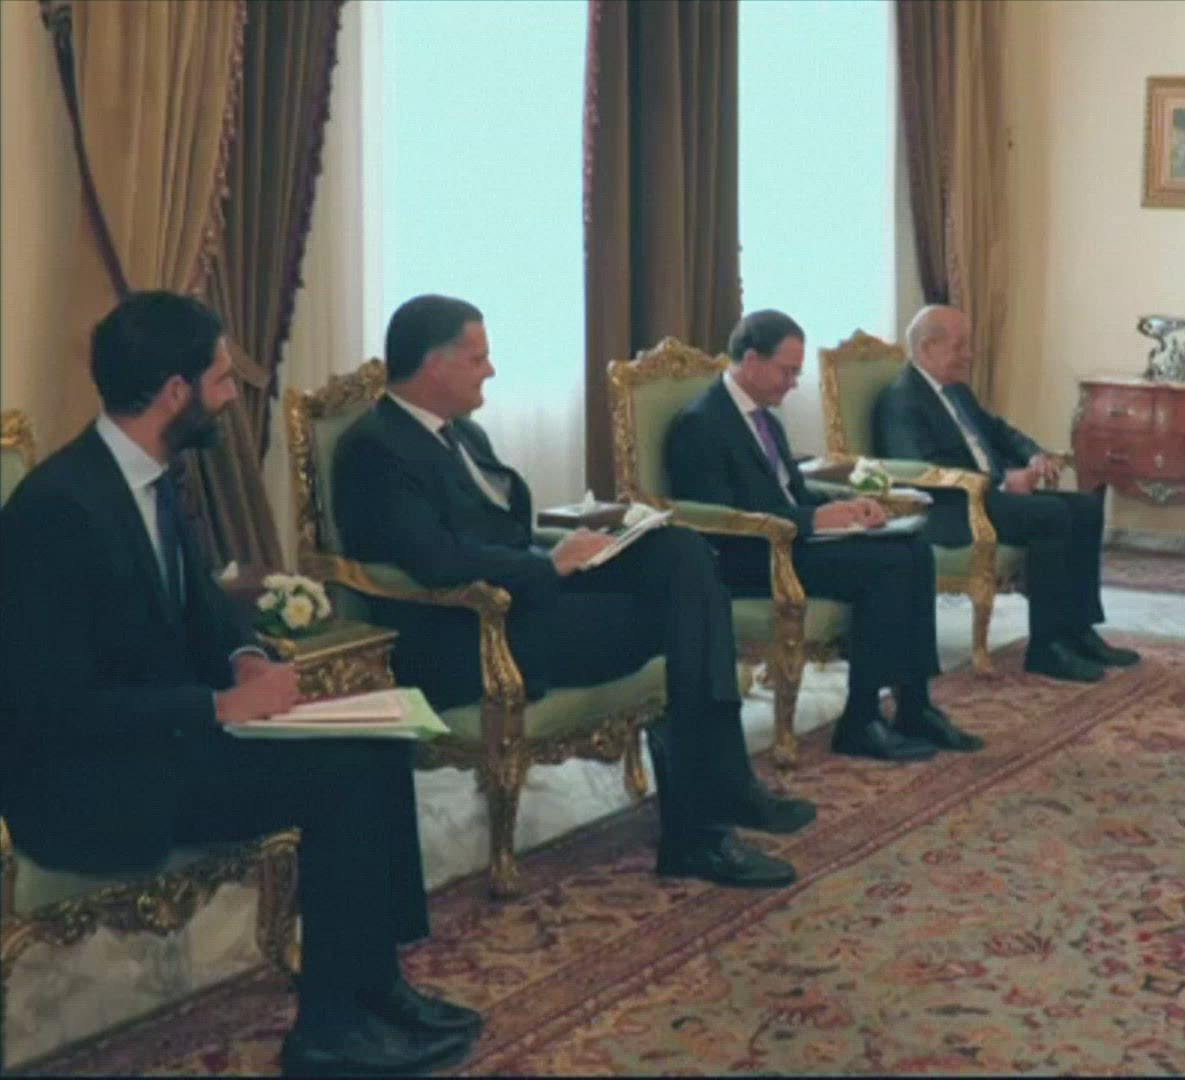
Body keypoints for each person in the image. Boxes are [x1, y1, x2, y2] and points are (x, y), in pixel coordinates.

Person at [0, 292, 482, 1076]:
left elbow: (202, 611)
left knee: (379, 744)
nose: (231, 395)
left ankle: (374, 988)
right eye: (222, 379)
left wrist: (244, 659)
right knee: (339, 779)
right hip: (86, 782)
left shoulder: (152, 478)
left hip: (164, 743)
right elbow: (50, 710)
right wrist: (218, 705)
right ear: (176, 392)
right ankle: (328, 1034)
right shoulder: (57, 510)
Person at [331, 295, 811, 891]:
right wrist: (550, 566)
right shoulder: (375, 447)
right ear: (435, 364)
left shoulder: (463, 435)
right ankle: (705, 823)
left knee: (679, 552)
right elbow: (434, 560)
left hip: (527, 599)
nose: (491, 371)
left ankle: (712, 809)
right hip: (468, 634)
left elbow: (505, 529)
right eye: (479, 359)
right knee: (688, 622)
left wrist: (586, 545)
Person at [666, 309, 980, 761]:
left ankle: (915, 705)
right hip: (748, 559)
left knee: (914, 549)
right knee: (887, 566)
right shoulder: (701, 424)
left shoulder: (765, 419)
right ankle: (861, 720)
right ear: (752, 361)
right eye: (787, 371)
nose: (794, 383)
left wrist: (848, 507)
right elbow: (724, 519)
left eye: (797, 372)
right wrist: (815, 520)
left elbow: (791, 491)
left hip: (792, 542)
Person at [872, 304, 1140, 683]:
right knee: (1051, 515)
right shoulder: (901, 400)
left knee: (1085, 507)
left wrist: (1034, 455)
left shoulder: (956, 391)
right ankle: (1046, 647)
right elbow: (922, 471)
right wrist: (1001, 481)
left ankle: (1078, 629)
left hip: (986, 498)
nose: (969, 355)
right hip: (952, 508)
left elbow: (999, 432)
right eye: (960, 346)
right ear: (928, 347)